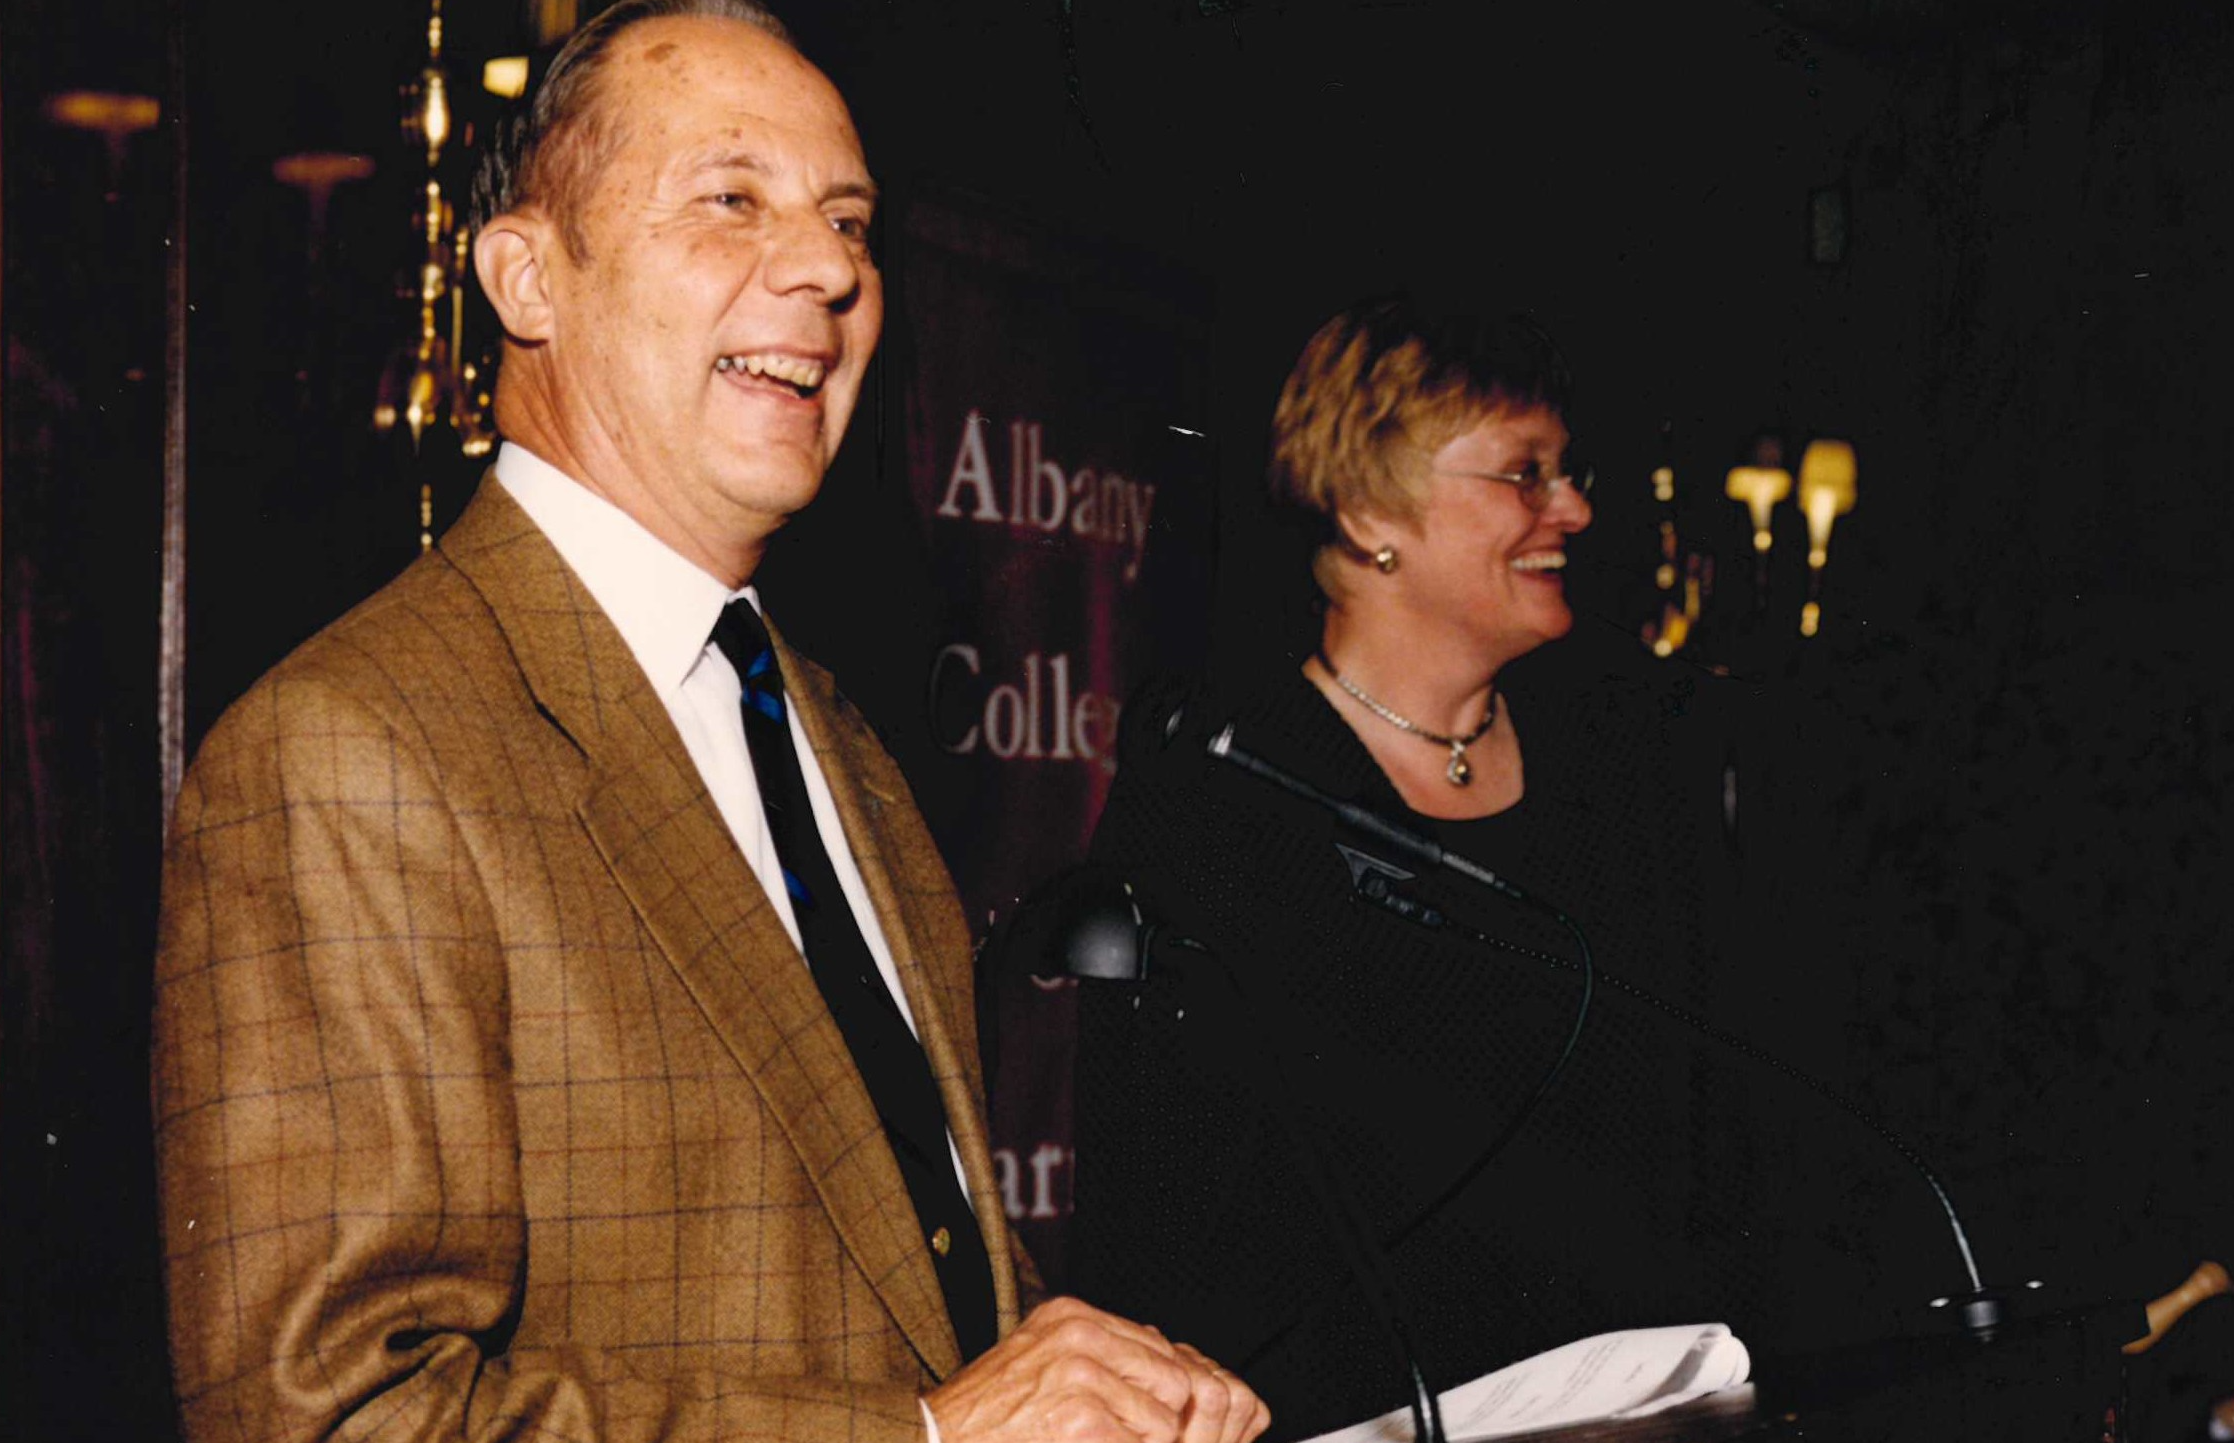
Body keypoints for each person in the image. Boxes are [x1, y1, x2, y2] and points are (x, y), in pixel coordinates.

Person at [148, 6, 1268, 1443]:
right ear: (527, 277)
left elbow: (890, 1283)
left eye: (850, 223)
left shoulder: (837, 742)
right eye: (731, 199)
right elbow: (333, 1415)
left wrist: (1085, 1377)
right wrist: (927, 1437)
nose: (829, 269)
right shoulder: (346, 753)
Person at [1069, 296, 1949, 1439]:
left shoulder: (1625, 768)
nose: (1573, 508)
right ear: (1365, 506)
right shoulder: (1221, 796)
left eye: (1567, 470)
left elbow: (1728, 1147)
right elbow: (1160, 1223)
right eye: (1523, 475)